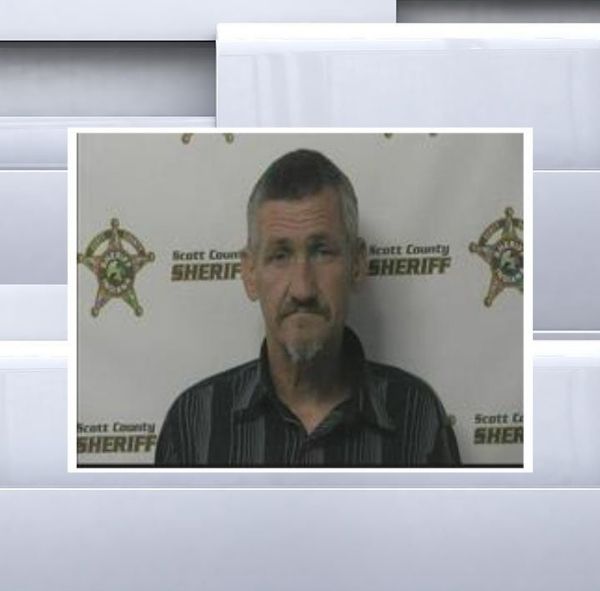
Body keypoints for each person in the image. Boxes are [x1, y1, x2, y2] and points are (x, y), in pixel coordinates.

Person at [155, 149, 460, 467]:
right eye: (280, 256)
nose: (303, 289)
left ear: (357, 264)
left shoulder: (418, 418)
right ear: (249, 273)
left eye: (322, 252)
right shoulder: (193, 424)